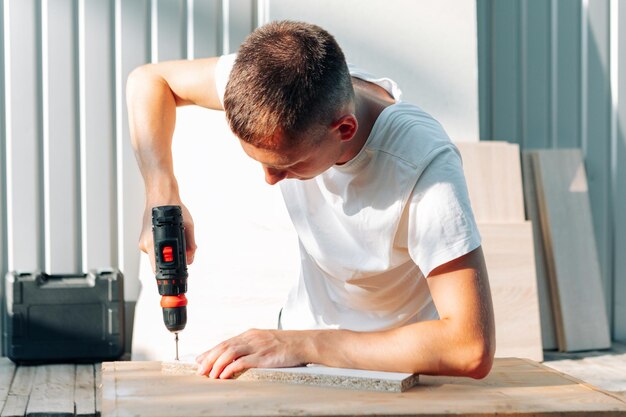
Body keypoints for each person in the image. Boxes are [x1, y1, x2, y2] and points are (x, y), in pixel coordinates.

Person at [127, 20, 495, 380]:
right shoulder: (277, 81)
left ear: (344, 129)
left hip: (392, 369)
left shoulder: (423, 167)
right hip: (299, 345)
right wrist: (162, 194)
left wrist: (303, 344)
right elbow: (149, 80)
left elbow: (469, 347)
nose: (270, 180)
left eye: (288, 165)